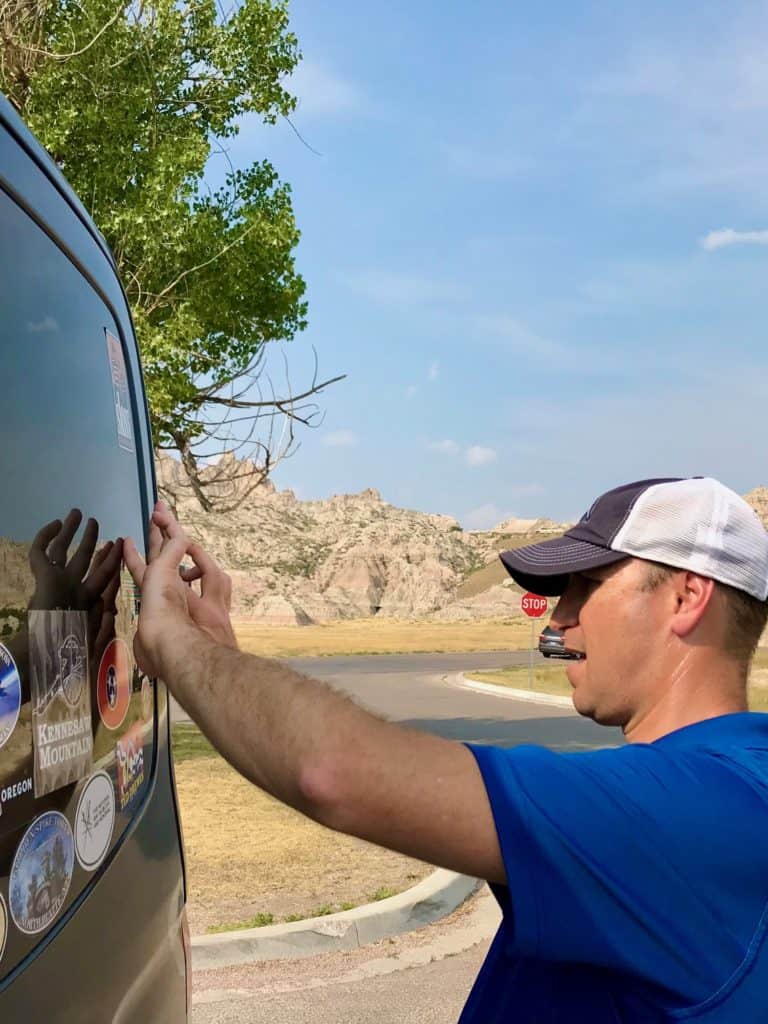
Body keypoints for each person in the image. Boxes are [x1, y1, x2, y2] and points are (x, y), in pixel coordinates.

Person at [123, 476, 768, 1022]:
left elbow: (334, 770)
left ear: (686, 597)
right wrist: (226, 660)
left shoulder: (701, 812)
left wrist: (176, 646)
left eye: (585, 587)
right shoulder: (706, 797)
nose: (556, 620)